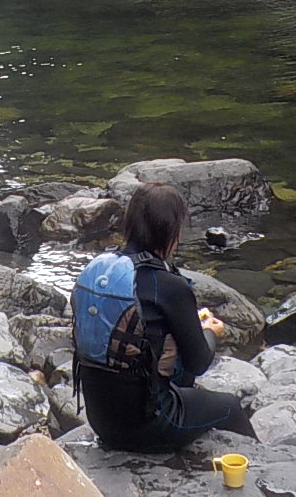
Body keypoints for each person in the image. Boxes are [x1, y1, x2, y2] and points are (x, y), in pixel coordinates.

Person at [72, 182, 256, 452]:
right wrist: (210, 331)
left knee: (176, 372)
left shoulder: (101, 271)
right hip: (146, 426)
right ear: (171, 232)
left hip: (101, 421)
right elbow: (199, 362)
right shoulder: (168, 285)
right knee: (229, 406)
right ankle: (267, 467)